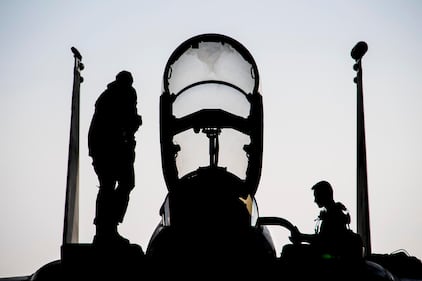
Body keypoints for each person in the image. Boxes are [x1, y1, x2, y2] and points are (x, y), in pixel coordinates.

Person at [88, 70, 142, 245]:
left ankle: (111, 226)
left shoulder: (128, 94)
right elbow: (112, 124)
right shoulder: (108, 98)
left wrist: (132, 124)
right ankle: (105, 229)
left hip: (119, 148)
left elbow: (128, 122)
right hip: (105, 149)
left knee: (126, 183)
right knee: (108, 186)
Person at [289, 180, 362, 261]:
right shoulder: (333, 212)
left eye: (316, 196)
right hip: (330, 254)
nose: (315, 200)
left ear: (324, 195)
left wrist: (301, 237)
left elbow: (323, 240)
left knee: (289, 250)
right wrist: (301, 237)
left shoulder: (334, 214)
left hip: (330, 257)